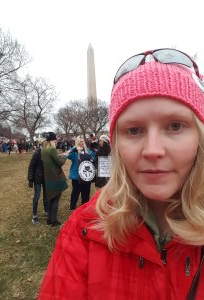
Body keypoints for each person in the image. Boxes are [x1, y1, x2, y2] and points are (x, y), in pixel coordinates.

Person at [38, 48, 204, 299]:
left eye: (175, 126)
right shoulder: (83, 232)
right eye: (134, 130)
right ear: (117, 142)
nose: (153, 150)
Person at [41, 132, 68, 227]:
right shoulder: (52, 149)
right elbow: (60, 163)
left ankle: (49, 219)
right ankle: (54, 221)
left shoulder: (44, 149)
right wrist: (65, 156)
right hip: (55, 177)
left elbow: (52, 159)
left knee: (50, 199)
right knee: (56, 199)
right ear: (53, 140)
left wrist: (59, 155)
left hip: (47, 177)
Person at [66, 135, 95, 210]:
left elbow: (94, 156)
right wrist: (74, 148)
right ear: (77, 142)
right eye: (80, 141)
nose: (82, 143)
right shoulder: (74, 152)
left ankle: (85, 206)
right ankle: (72, 206)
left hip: (86, 175)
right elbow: (67, 155)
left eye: (83, 141)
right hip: (76, 175)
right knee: (75, 192)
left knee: (86, 192)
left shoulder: (88, 151)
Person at [28, 138, 47, 224]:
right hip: (37, 178)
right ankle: (34, 215)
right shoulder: (37, 153)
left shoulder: (48, 152)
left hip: (46, 178)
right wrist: (30, 179)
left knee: (46, 196)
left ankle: (46, 211)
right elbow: (31, 166)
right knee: (37, 196)